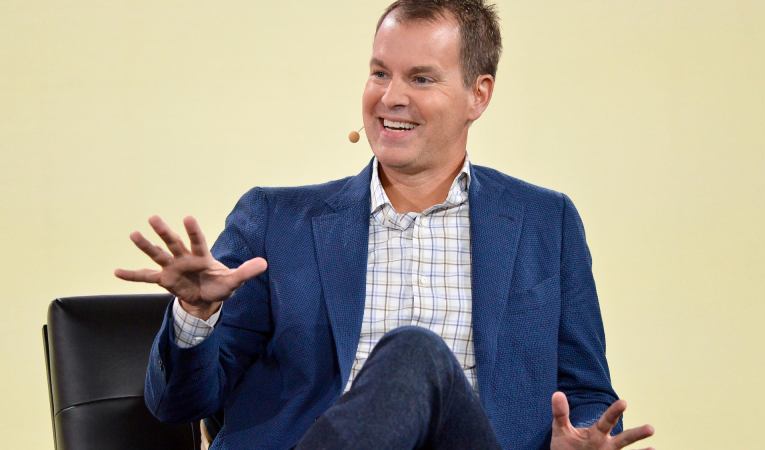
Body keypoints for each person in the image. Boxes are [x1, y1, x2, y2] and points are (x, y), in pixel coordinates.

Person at [115, 1, 655, 449]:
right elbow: (179, 405)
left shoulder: (545, 223)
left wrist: (584, 437)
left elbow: (587, 392)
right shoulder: (275, 221)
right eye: (380, 73)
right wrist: (195, 315)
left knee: (414, 354)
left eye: (421, 78)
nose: (390, 97)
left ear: (479, 94)